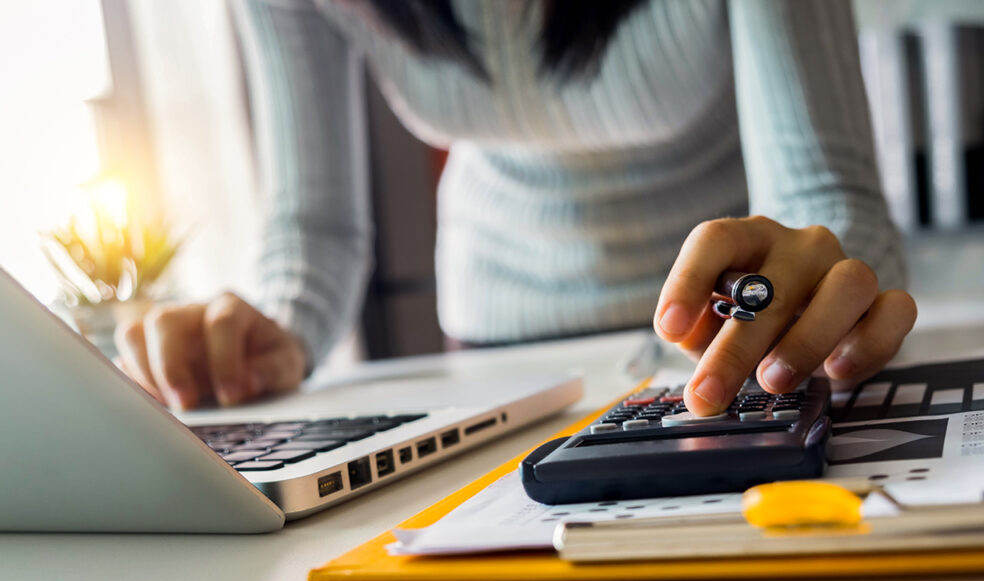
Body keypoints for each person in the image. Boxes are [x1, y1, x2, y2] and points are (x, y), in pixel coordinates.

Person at [115, 0, 917, 418]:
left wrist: (818, 289)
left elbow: (825, 190)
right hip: (491, 355)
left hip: (729, 337)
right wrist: (270, 332)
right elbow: (312, 234)